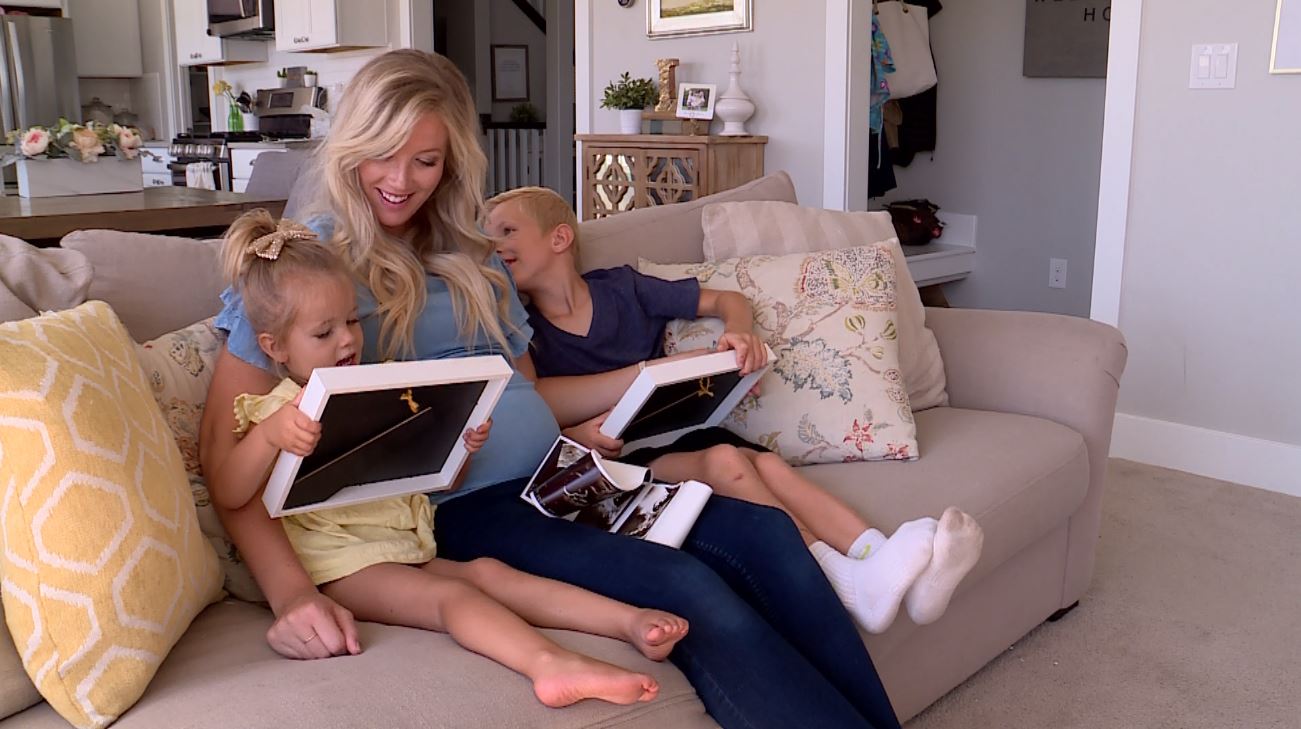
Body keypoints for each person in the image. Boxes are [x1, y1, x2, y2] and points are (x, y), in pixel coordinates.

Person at [199, 49, 901, 729]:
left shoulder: (476, 255)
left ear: (451, 164)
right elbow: (227, 449)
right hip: (464, 507)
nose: (400, 179)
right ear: (351, 145)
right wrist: (292, 594)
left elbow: (529, 395)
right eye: (382, 152)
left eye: (425, 159)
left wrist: (641, 389)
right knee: (684, 585)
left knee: (766, 533)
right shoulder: (306, 267)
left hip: (561, 473)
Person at [208, 209, 688, 708]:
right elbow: (229, 490)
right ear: (274, 346)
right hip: (341, 565)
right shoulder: (273, 410)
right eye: (323, 333)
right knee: (455, 598)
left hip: (401, 538)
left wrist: (458, 450)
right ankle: (550, 666)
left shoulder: (366, 390)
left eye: (352, 320)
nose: (348, 339)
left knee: (487, 574)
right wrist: (268, 437)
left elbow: (417, 480)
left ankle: (626, 621)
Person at [483, 186, 985, 633]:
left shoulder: (621, 287)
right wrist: (577, 430)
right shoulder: (522, 326)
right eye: (488, 238)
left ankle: (880, 556)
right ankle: (846, 578)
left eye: (508, 230)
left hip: (674, 433)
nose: (496, 246)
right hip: (618, 465)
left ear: (559, 238)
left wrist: (740, 330)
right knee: (727, 461)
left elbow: (726, 300)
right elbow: (533, 403)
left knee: (767, 464)